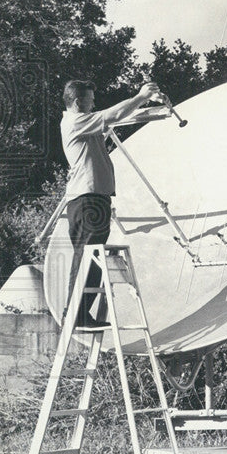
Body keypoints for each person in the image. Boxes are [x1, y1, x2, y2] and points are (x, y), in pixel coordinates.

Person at [61, 79, 167, 328]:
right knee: (87, 256)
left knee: (92, 257)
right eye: (90, 100)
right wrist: (141, 96)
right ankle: (75, 313)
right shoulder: (76, 121)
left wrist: (154, 108)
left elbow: (121, 117)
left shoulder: (85, 123)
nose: (94, 103)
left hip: (92, 199)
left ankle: (81, 313)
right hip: (87, 200)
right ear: (78, 102)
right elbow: (114, 114)